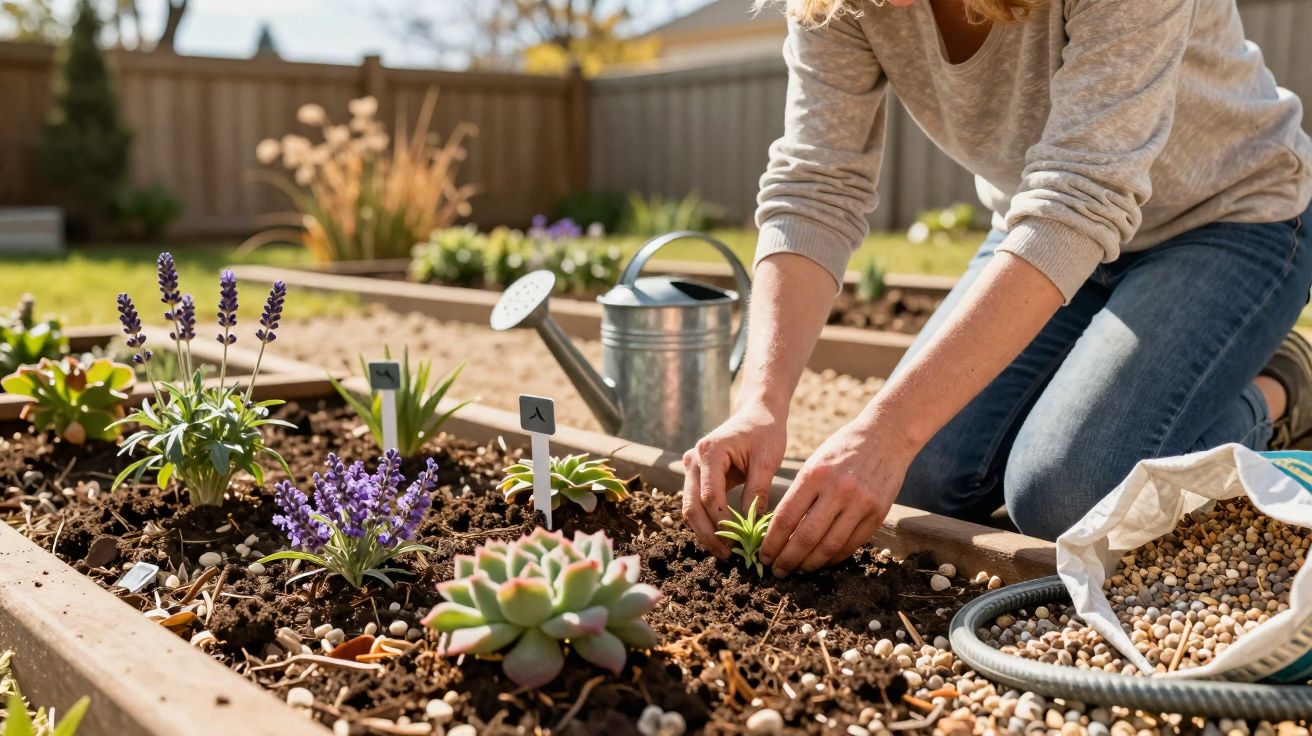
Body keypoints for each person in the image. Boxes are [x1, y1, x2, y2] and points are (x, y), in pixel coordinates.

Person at [681, 0, 1312, 577]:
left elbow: (1082, 190)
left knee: (1069, 494)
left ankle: (1281, 389)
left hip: (1231, 216)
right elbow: (817, 184)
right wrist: (760, 403)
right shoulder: (837, 5)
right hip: (1044, 232)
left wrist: (887, 430)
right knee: (922, 481)